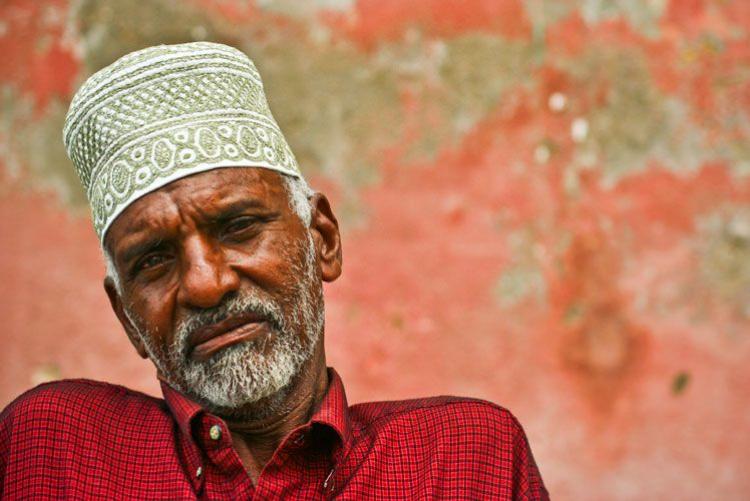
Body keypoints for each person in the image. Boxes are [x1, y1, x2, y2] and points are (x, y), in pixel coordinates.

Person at [0, 42, 548, 499]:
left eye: (238, 226)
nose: (205, 284)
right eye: (153, 260)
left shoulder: (469, 461)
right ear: (126, 318)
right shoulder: (54, 450)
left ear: (323, 240)